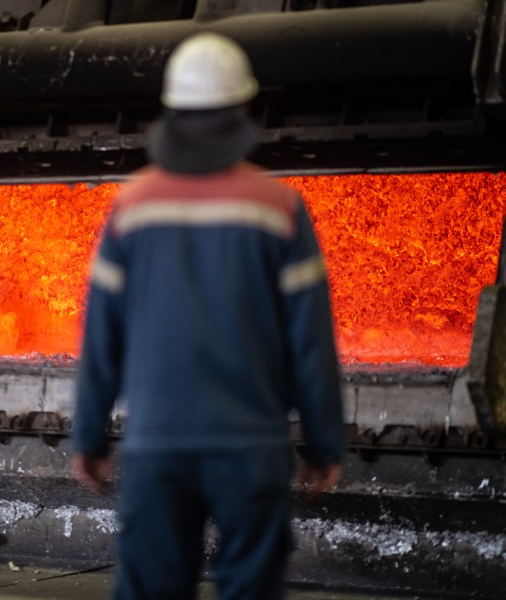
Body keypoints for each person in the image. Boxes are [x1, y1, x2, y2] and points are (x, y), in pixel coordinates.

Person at [71, 33, 345, 600]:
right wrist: (323, 444)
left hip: (156, 449)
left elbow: (101, 336)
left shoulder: (133, 207)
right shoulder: (281, 209)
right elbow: (311, 342)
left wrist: (88, 436)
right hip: (251, 449)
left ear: (171, 113)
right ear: (243, 111)